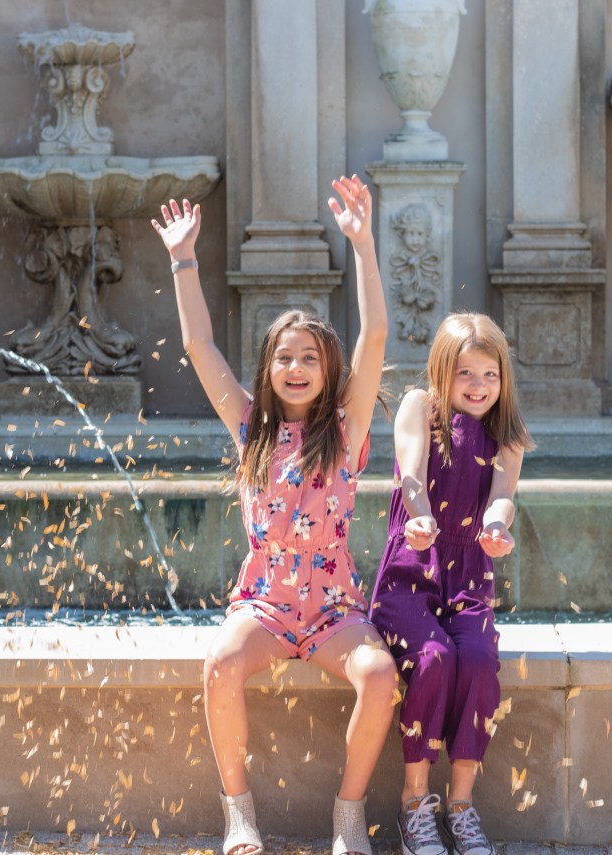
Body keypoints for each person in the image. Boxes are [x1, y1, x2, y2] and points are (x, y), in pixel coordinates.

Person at [151, 176, 398, 855]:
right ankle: (240, 815)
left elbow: (376, 333)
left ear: (328, 369)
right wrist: (183, 259)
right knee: (219, 664)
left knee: (380, 675)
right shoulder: (250, 428)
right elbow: (200, 347)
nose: (295, 366)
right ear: (267, 370)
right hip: (263, 606)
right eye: (283, 357)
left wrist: (363, 245)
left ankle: (349, 816)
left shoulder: (345, 430)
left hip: (333, 610)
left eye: (309, 358)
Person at [369, 313, 535, 855]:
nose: (479, 385)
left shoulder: (507, 433)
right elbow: (411, 472)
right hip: (411, 573)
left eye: (490, 374)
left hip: (469, 578)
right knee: (435, 658)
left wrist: (497, 527)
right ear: (442, 370)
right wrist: (419, 515)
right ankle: (415, 802)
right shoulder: (420, 406)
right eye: (466, 372)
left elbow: (503, 496)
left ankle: (461, 805)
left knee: (480, 660)